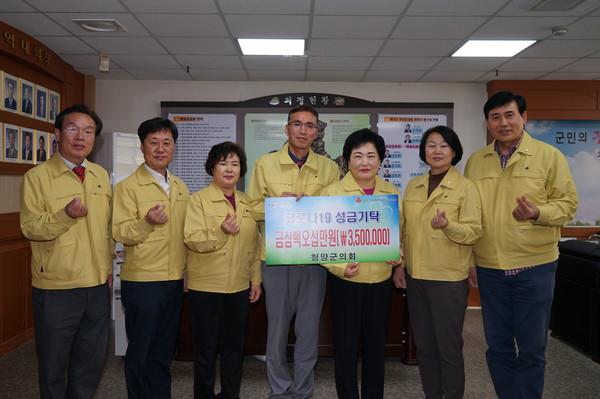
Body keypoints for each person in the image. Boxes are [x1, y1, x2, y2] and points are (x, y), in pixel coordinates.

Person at [464, 91, 579, 399]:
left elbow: (568, 205)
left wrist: (538, 213)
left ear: (524, 117)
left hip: (535, 266)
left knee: (531, 348)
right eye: (495, 117)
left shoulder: (548, 156)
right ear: (488, 122)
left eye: (510, 115)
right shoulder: (476, 161)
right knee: (498, 346)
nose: (503, 123)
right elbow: (471, 215)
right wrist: (472, 262)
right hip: (490, 268)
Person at [20, 104, 112, 398]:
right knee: (52, 366)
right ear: (57, 134)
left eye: (88, 131)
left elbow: (106, 229)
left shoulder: (99, 175)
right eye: (73, 129)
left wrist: (108, 268)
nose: (80, 137)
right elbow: (31, 227)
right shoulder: (38, 177)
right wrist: (65, 215)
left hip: (96, 287)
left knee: (90, 364)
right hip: (57, 289)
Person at [247, 104, 339, 399]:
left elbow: (336, 213)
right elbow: (251, 208)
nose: (303, 130)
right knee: (276, 331)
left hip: (315, 260)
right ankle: (280, 390)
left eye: (310, 125)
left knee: (308, 332)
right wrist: (279, 205)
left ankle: (303, 391)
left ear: (317, 132)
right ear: (287, 129)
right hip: (277, 259)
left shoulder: (329, 168)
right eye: (297, 124)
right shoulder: (265, 164)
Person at [393, 126, 482, 399]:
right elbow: (403, 230)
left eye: (444, 145)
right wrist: (401, 264)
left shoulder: (466, 187)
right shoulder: (413, 185)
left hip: (447, 279)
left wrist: (448, 225)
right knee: (425, 347)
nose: (437, 150)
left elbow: (474, 231)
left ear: (454, 152)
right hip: (416, 277)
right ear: (424, 152)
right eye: (431, 145)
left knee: (448, 348)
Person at [321, 128, 402, 399]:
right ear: (346, 160)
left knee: (375, 348)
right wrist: (339, 267)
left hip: (380, 280)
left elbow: (400, 232)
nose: (364, 162)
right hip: (346, 281)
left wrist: (398, 254)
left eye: (371, 156)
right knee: (344, 348)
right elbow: (322, 240)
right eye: (358, 156)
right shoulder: (332, 194)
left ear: (381, 160)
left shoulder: (390, 193)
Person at [112, 117, 190, 399]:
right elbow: (120, 231)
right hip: (143, 282)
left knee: (163, 353)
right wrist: (145, 221)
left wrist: (185, 272)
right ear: (142, 146)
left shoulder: (180, 186)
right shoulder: (127, 187)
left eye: (166, 142)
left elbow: (184, 235)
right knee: (140, 352)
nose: (160, 148)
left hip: (173, 281)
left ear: (174, 147)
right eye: (153, 142)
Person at [184, 141, 262, 399]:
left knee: (234, 349)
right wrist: (221, 231)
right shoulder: (198, 200)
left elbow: (254, 245)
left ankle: (231, 394)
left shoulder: (247, 202)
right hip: (206, 287)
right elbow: (192, 239)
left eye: (235, 163)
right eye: (223, 163)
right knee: (205, 350)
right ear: (212, 167)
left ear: (241, 169)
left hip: (238, 287)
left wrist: (255, 280)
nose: (229, 169)